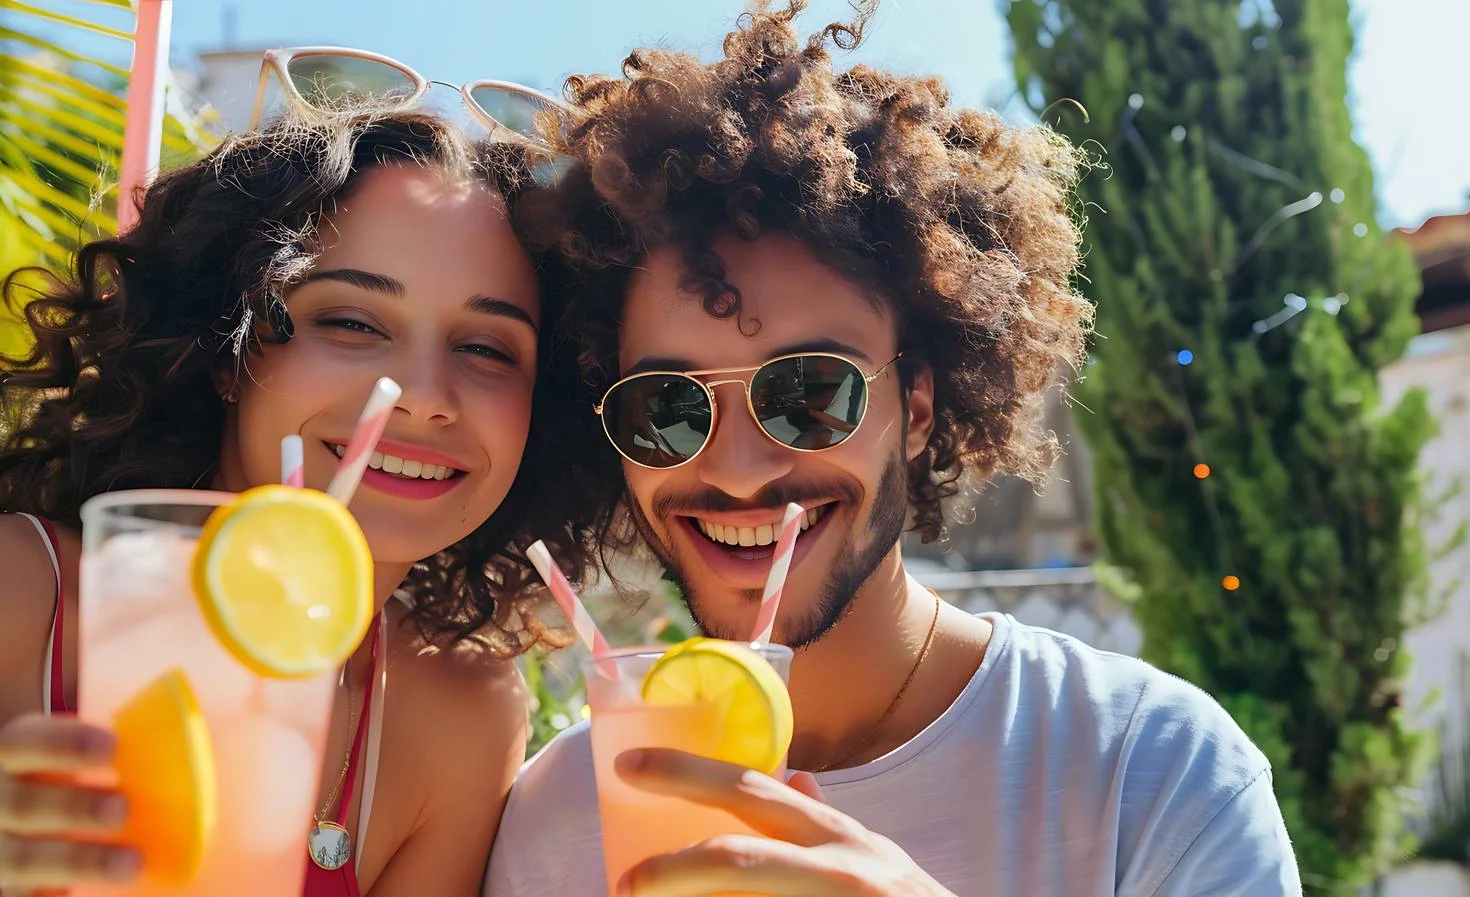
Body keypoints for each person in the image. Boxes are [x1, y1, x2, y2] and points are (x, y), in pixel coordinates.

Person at [485, 2, 1303, 895]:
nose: (737, 467)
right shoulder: (563, 813)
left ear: (916, 406)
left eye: (808, 393)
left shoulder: (1149, 773)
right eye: (668, 407)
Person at [0, 103, 611, 896]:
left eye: (487, 348)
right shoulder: (22, 592)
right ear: (226, 348)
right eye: (353, 321)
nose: (422, 397)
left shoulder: (463, 715)